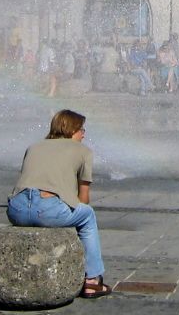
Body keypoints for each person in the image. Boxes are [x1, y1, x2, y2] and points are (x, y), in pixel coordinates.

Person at [7, 110, 111, 299]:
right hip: (48, 210)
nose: (84, 134)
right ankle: (92, 280)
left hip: (17, 209)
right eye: (81, 129)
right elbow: (84, 199)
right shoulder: (83, 151)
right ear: (71, 130)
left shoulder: (34, 147)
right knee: (87, 215)